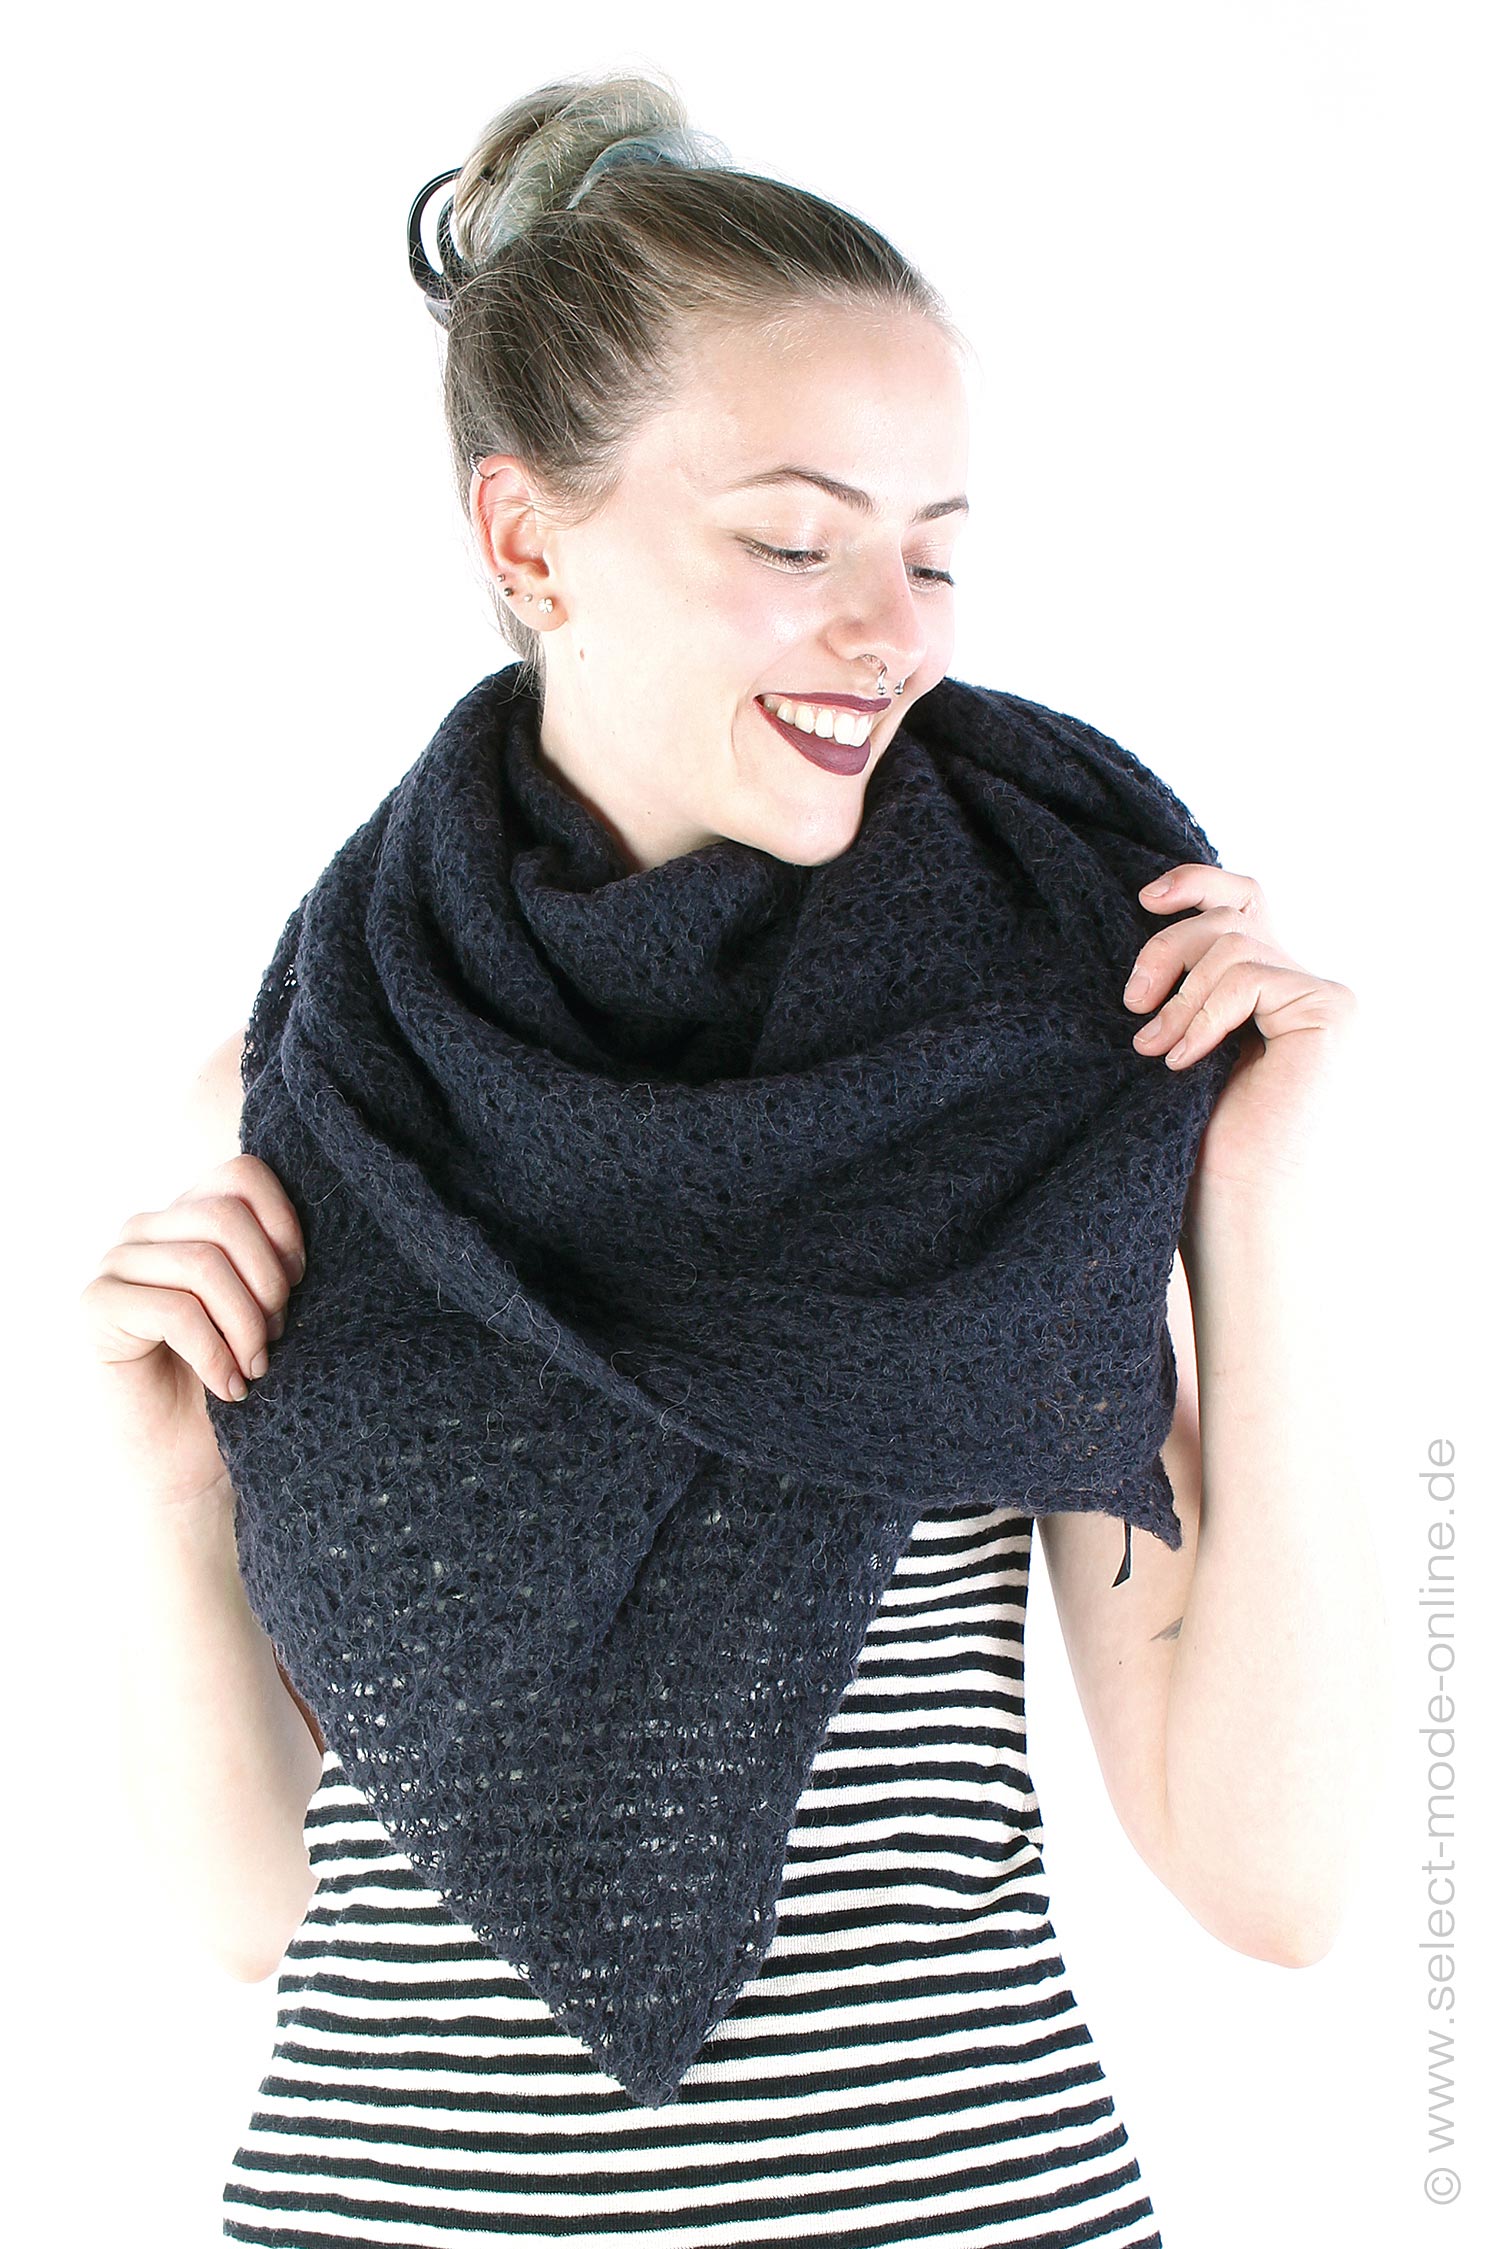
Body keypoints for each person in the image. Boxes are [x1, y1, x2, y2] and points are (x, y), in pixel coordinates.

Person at [79, 66, 1388, 2249]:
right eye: (797, 541)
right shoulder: (312, 1100)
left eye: (934, 551)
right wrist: (156, 1491)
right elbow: (258, 1919)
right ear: (526, 540)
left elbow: (1275, 1881)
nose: (897, 629)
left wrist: (1252, 1204)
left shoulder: (1036, 1060)